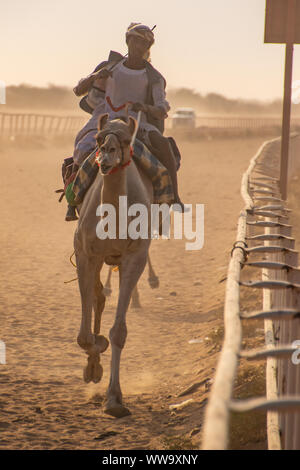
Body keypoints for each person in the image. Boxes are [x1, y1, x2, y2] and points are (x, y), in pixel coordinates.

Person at [65, 22, 185, 220]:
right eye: (137, 41)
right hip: (105, 120)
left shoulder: (153, 77)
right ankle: (73, 199)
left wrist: (145, 108)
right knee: (83, 149)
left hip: (138, 122)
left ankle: (174, 197)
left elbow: (162, 108)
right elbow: (78, 90)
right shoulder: (109, 67)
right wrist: (95, 76)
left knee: (164, 146)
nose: (140, 47)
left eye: (145, 44)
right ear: (128, 40)